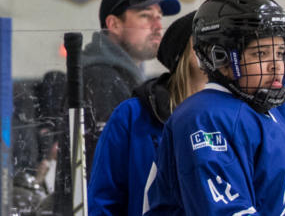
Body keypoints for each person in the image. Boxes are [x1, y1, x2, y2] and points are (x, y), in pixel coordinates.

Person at [144, 0, 285, 215]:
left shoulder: (263, 113)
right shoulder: (205, 117)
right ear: (222, 60)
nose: (276, 66)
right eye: (261, 53)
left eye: (280, 52)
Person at [87, 11, 207, 215]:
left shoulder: (241, 114)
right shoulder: (133, 116)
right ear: (184, 52)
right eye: (206, 40)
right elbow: (104, 201)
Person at [81, 0, 180, 175]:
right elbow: (108, 166)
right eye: (146, 16)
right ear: (114, 24)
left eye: (159, 17)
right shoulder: (102, 80)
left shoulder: (123, 77)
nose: (158, 26)